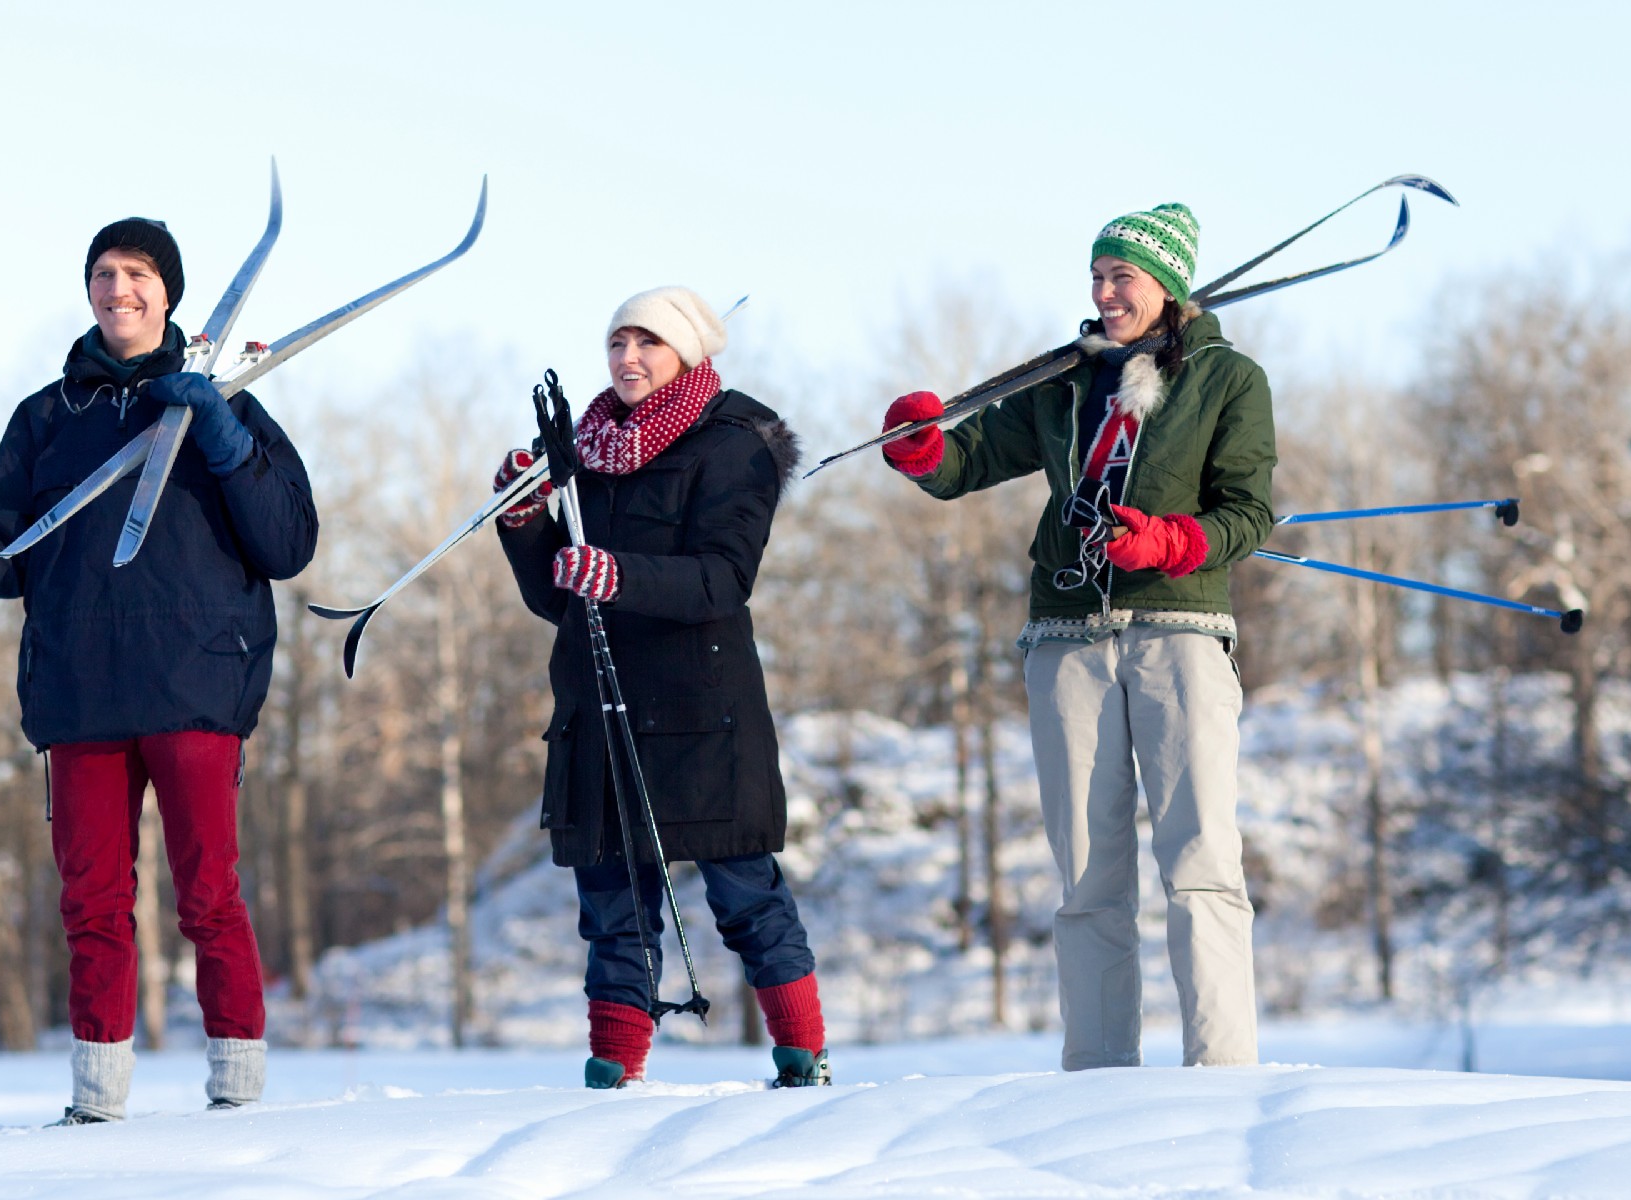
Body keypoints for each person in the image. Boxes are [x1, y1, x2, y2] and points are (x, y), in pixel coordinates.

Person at [0, 217, 319, 1122]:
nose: (118, 288)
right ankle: (97, 1102)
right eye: (103, 273)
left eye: (137, 273)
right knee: (91, 904)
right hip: (79, 692)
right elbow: (3, 553)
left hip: (196, 685)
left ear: (169, 292)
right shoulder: (46, 419)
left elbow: (288, 541)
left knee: (209, 894)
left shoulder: (230, 404)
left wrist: (220, 434)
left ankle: (241, 1096)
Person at [879, 203, 1274, 1069]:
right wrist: (922, 449)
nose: (1102, 292)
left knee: (1199, 859)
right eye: (1096, 276)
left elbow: (1249, 512)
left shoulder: (1227, 379)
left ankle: (1222, 1072)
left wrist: (1170, 541)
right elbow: (969, 459)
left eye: (1120, 277)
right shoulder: (1066, 380)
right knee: (1088, 879)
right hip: (1068, 635)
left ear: (1166, 286)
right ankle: (1099, 1080)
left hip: (1179, 630)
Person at [493, 286, 826, 1088]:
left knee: (745, 895)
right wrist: (525, 520)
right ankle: (614, 1071)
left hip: (703, 710)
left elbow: (724, 579)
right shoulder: (584, 449)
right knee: (611, 908)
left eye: (648, 343)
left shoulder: (735, 445)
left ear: (688, 353)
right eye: (617, 343)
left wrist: (617, 572)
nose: (628, 358)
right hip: (597, 705)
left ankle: (802, 1054)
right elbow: (554, 599)